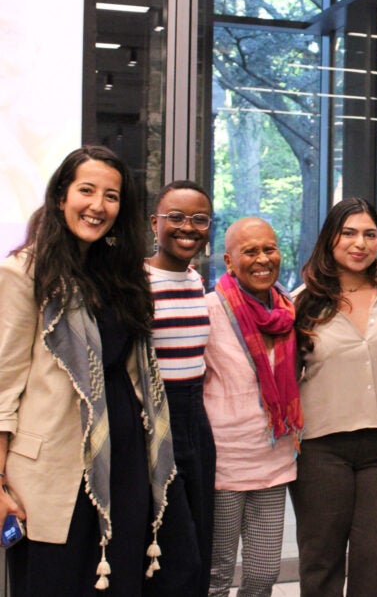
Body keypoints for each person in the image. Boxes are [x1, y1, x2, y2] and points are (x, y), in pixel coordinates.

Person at [0, 145, 176, 595]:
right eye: (86, 190)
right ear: (61, 197)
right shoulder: (24, 273)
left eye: (112, 196)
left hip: (125, 459)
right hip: (55, 468)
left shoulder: (125, 278)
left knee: (121, 583)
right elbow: (3, 386)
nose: (98, 205)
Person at [291, 198, 377, 595]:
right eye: (348, 233)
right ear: (330, 238)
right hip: (320, 447)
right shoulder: (301, 302)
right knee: (322, 558)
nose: (359, 243)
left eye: (369, 234)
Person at [205, 217, 303, 597]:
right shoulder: (209, 310)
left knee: (264, 575)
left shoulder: (289, 310)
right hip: (223, 465)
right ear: (229, 262)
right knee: (217, 574)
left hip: (273, 461)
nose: (262, 258)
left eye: (269, 249)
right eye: (250, 251)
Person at [144, 180, 215, 595]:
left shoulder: (195, 282)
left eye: (199, 219)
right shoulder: (137, 283)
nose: (187, 227)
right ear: (155, 223)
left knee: (200, 540)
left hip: (196, 420)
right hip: (153, 422)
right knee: (169, 550)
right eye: (176, 217)